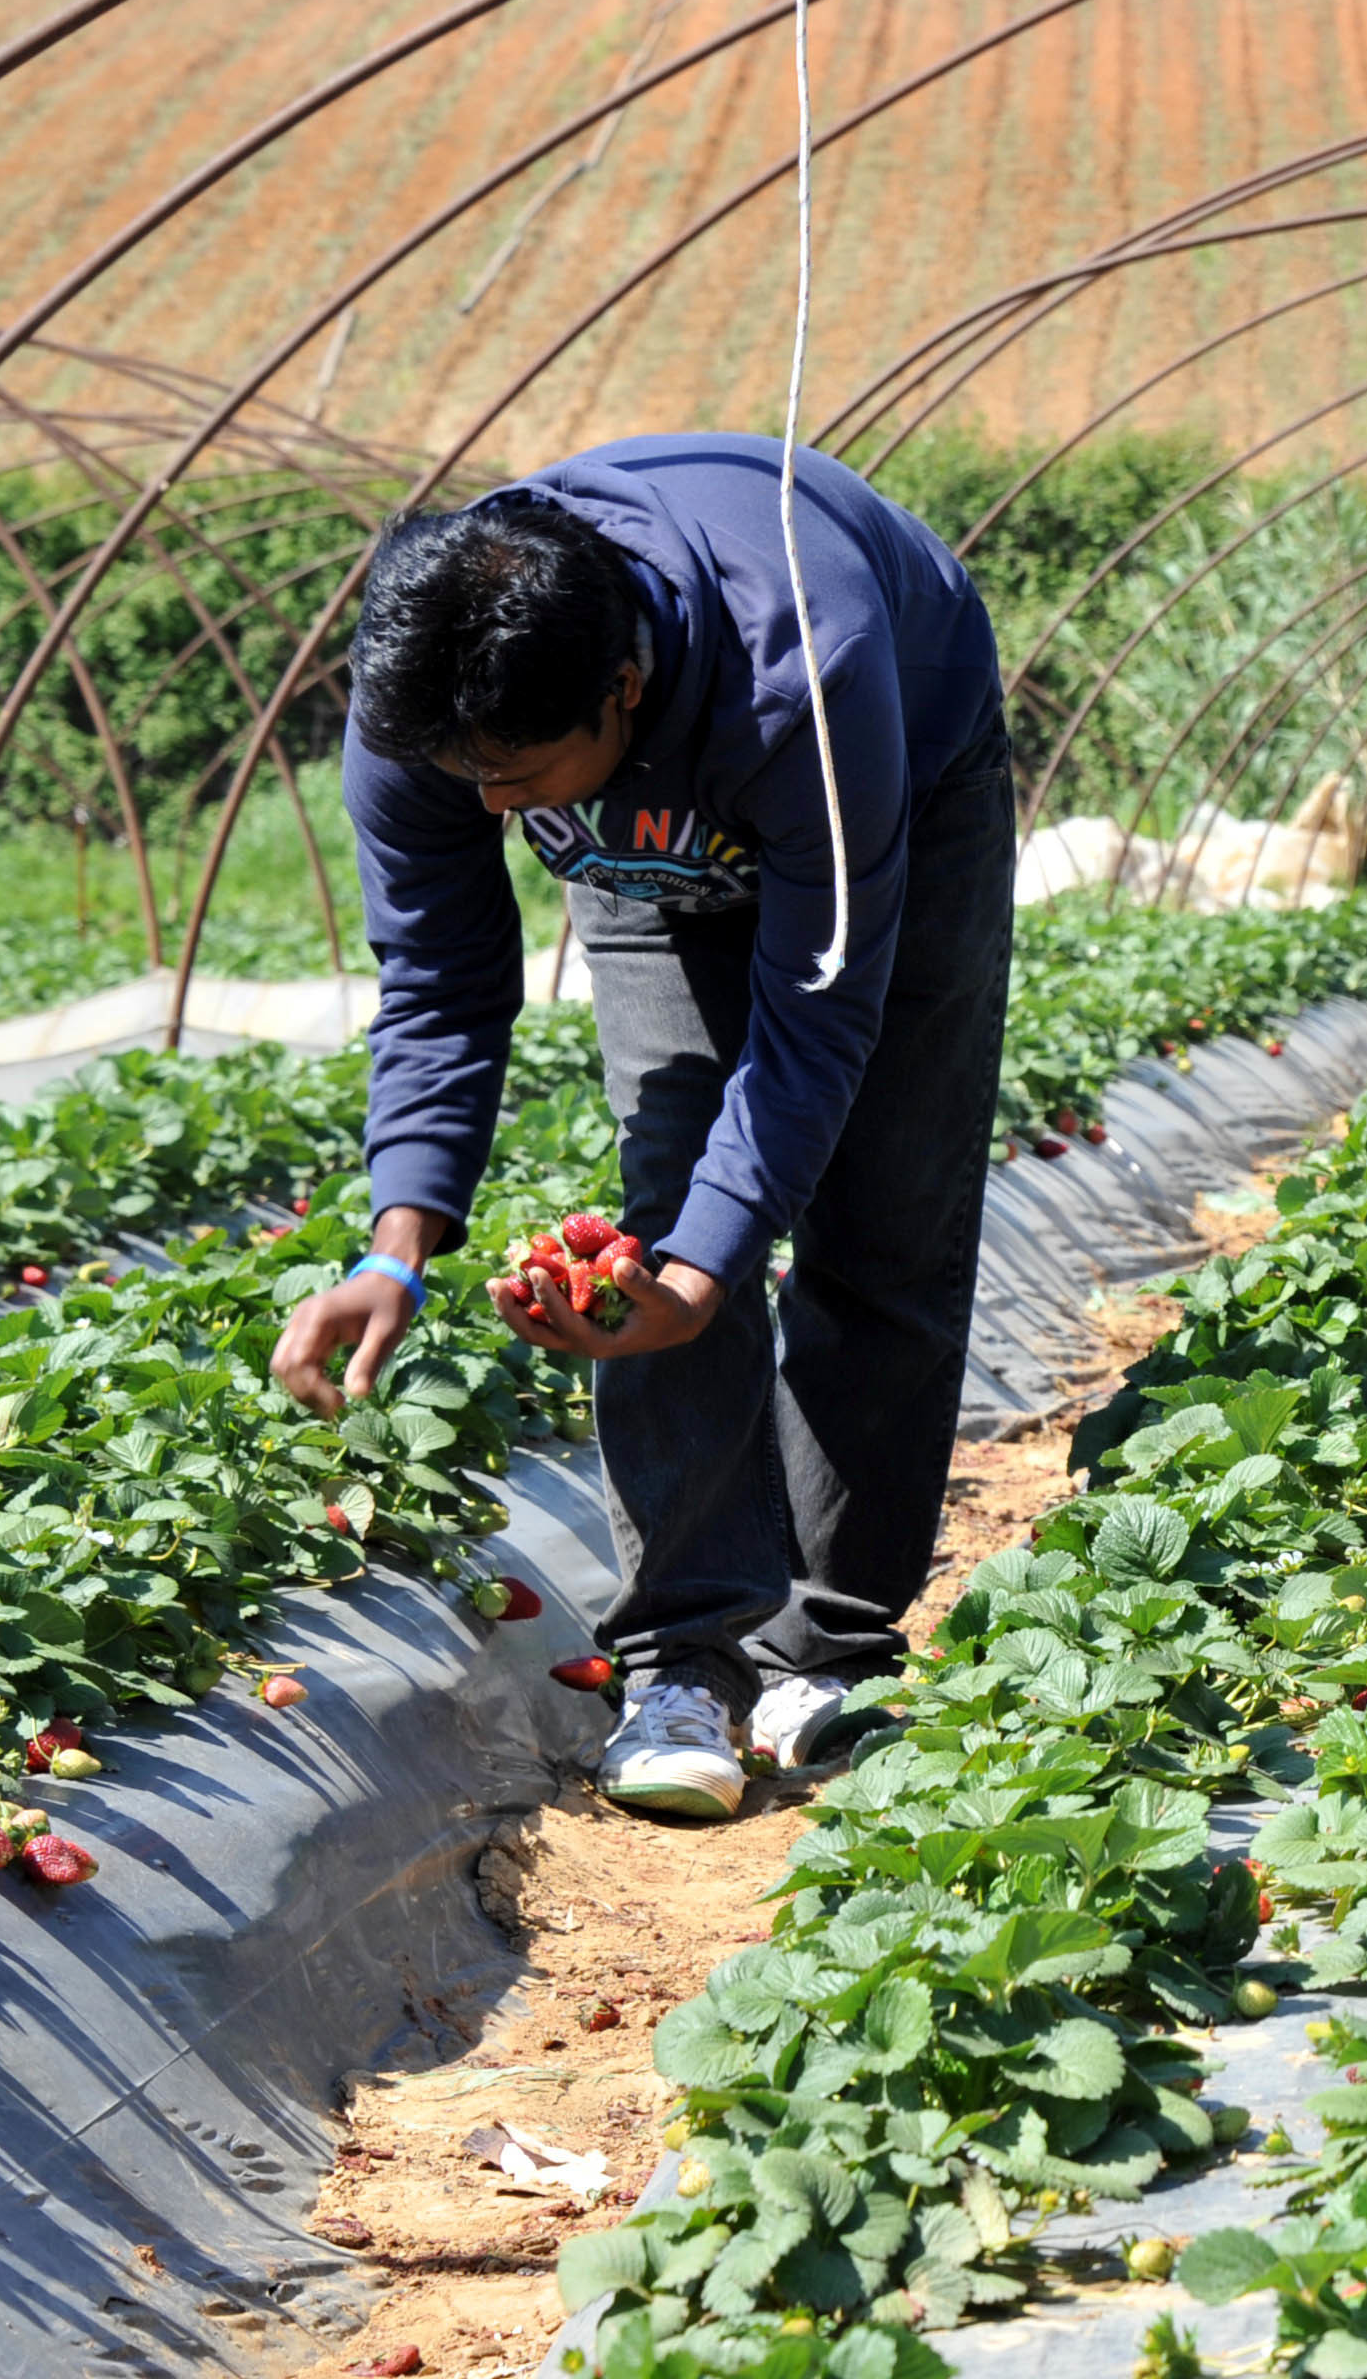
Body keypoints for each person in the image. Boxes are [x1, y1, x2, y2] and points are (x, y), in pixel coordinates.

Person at [268, 433, 1015, 1824]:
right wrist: (399, 1247)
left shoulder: (812, 663)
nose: (487, 807)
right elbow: (439, 981)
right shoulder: (430, 706)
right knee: (670, 1194)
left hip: (895, 768)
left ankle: (831, 1646)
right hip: (652, 830)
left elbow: (817, 1006)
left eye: (516, 773)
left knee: (885, 1202)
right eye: (463, 777)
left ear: (620, 686)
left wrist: (710, 1275)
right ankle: (688, 1657)